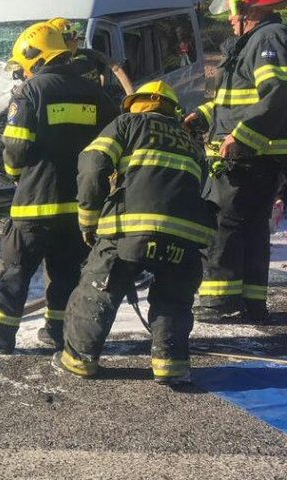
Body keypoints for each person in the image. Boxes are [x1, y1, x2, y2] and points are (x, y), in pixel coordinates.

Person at [0, 22, 119, 354]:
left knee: (14, 269)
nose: (22, 73)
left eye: (24, 65)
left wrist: (12, 172)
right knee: (65, 273)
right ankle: (57, 331)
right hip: (78, 206)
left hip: (35, 202)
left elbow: (16, 152)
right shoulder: (96, 93)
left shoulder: (31, 92)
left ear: (36, 57)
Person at [52, 82, 216, 385]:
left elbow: (92, 164)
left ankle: (78, 359)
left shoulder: (127, 124)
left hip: (128, 228)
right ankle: (171, 365)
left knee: (98, 289)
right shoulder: (192, 142)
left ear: (139, 103)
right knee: (174, 298)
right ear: (172, 109)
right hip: (186, 233)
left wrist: (88, 220)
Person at [184, 0, 287, 324]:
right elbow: (233, 101)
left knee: (223, 223)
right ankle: (251, 301)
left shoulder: (267, 39)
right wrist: (201, 117)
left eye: (231, 12)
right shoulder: (256, 41)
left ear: (250, 11)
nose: (228, 20)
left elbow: (279, 92)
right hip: (256, 153)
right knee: (253, 226)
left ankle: (218, 301)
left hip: (247, 153)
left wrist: (242, 137)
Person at [47, 17, 134, 96]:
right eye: (71, 36)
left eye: (75, 35)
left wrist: (130, 95)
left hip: (97, 102)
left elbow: (115, 67)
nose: (75, 39)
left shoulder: (87, 54)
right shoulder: (52, 65)